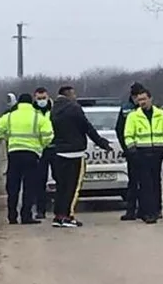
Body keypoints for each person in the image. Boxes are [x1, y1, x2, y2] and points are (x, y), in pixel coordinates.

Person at [50, 85, 112, 228]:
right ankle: (68, 216)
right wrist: (102, 143)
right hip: (75, 153)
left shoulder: (53, 109)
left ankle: (58, 216)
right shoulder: (74, 108)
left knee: (61, 187)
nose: (75, 97)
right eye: (73, 94)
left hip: (59, 152)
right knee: (72, 187)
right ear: (69, 95)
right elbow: (87, 127)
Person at [0, 93, 54, 224]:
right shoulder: (38, 117)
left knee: (13, 187)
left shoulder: (10, 116)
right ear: (31, 103)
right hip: (32, 154)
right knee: (29, 187)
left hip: (14, 154)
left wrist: (7, 136)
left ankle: (12, 216)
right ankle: (26, 216)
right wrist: (41, 144)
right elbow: (48, 134)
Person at [124, 89, 163, 223]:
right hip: (141, 153)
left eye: (144, 99)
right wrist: (133, 151)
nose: (142, 102)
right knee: (146, 184)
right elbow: (128, 135)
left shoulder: (161, 114)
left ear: (151, 99)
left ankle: (157, 209)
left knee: (156, 181)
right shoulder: (133, 116)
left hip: (157, 152)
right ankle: (148, 213)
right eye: (139, 100)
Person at [115, 82, 144, 221]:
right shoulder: (126, 109)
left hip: (148, 150)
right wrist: (127, 147)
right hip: (133, 152)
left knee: (147, 182)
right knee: (133, 182)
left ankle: (146, 209)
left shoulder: (149, 109)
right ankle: (131, 210)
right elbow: (119, 129)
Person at [32, 87, 54, 219]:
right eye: (39, 98)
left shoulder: (55, 109)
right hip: (39, 149)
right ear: (34, 98)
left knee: (60, 179)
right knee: (39, 181)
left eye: (43, 98)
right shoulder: (32, 111)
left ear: (48, 96)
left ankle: (61, 210)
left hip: (55, 147)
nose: (41, 101)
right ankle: (41, 210)